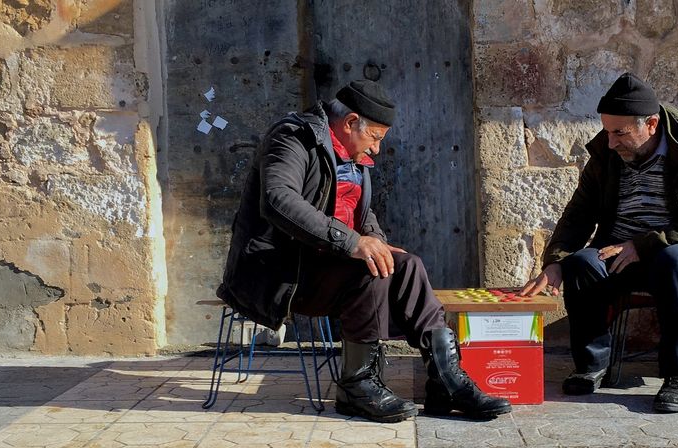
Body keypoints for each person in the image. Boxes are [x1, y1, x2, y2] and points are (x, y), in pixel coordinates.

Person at [216, 79, 511, 423]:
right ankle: (356, 387)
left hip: (325, 265)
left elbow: (360, 213)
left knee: (407, 265)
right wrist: (355, 243)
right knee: (369, 267)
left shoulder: (352, 157)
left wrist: (373, 238)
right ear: (351, 122)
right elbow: (278, 200)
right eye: (375, 138)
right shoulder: (293, 138)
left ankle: (446, 381)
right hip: (280, 274)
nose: (376, 150)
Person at [520, 73, 678, 412]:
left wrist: (644, 244)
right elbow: (579, 213)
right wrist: (556, 261)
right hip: (619, 252)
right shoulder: (606, 154)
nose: (610, 142)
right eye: (607, 132)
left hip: (676, 253)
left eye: (620, 133)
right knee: (581, 263)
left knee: (676, 261)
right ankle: (592, 364)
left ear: (651, 124)